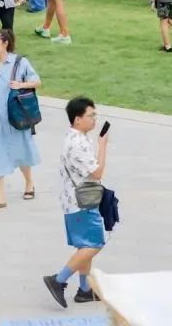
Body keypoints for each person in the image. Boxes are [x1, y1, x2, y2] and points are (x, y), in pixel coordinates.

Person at [42, 96, 109, 308]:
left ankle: (84, 290)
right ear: (77, 119)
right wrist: (103, 145)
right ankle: (58, 280)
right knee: (95, 244)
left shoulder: (75, 137)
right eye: (91, 115)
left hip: (74, 201)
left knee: (85, 245)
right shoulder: (78, 143)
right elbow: (97, 173)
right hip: (82, 203)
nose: (94, 119)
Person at [0, 29, 40, 210]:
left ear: (5, 43)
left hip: (16, 116)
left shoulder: (20, 62)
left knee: (21, 150)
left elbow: (37, 82)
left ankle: (29, 183)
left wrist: (21, 84)